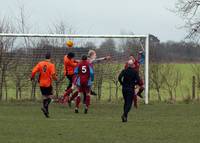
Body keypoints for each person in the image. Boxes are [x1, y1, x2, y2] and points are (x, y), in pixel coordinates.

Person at [31, 52, 57, 118]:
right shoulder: (51, 65)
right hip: (48, 83)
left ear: (45, 57)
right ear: (50, 58)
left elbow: (33, 71)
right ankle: (45, 107)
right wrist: (55, 78)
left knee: (45, 97)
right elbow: (53, 74)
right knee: (51, 97)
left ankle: (46, 112)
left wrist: (32, 77)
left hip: (41, 83)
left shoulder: (40, 63)